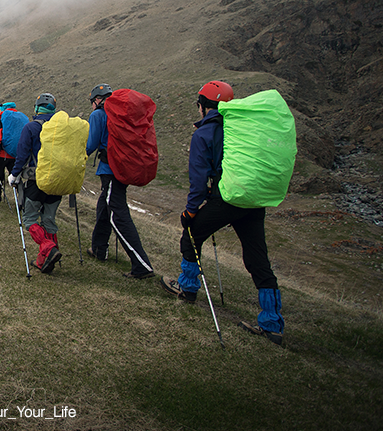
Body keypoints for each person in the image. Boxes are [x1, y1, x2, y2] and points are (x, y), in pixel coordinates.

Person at [160, 81, 285, 346]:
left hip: (226, 199)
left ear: (203, 106)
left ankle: (188, 288)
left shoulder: (204, 134)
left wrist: (190, 211)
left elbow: (198, 179)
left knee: (191, 235)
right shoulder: (240, 129)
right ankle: (272, 322)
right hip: (252, 201)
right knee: (257, 257)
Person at [85, 84, 155, 279]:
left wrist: (77, 159)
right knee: (103, 206)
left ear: (96, 100)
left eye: (92, 102)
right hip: (122, 166)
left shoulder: (99, 114)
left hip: (110, 169)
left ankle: (142, 265)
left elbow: (91, 144)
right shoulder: (120, 112)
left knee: (117, 214)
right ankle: (99, 249)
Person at [7, 93, 63, 274]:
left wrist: (14, 174)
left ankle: (48, 247)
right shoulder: (61, 128)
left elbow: (22, 154)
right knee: (49, 219)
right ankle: (43, 260)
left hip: (36, 180)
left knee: (29, 218)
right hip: (58, 181)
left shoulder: (31, 127)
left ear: (37, 108)